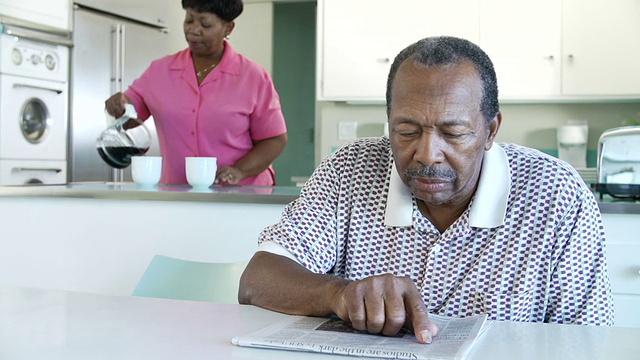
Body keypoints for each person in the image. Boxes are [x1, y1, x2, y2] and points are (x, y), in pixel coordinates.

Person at [238, 36, 614, 343]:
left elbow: (590, 339)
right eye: (406, 132)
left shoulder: (556, 193)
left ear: (491, 130)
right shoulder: (348, 170)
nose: (427, 154)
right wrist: (338, 294)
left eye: (453, 133)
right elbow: (258, 280)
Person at [105, 0, 287, 186]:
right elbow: (127, 117)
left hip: (242, 194)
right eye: (189, 20)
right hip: (179, 193)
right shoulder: (160, 70)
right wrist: (118, 105)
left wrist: (239, 170)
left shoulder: (253, 77)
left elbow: (274, 139)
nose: (193, 30)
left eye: (205, 24)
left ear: (228, 28)